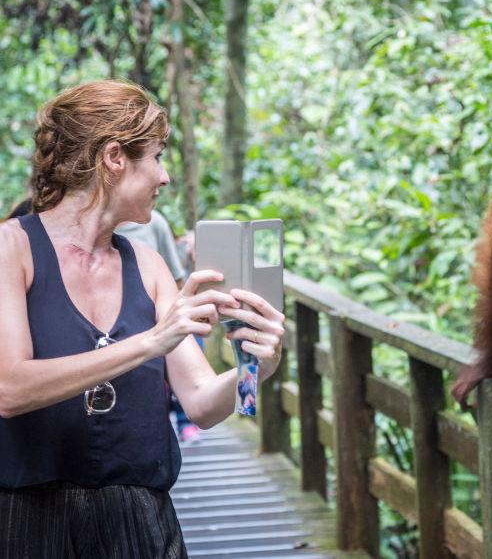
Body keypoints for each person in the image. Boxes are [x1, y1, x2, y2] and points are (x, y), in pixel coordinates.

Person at [0, 81, 285, 558]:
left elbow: (200, 404)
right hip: (29, 519)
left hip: (141, 523)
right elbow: (9, 389)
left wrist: (257, 367)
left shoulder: (149, 266)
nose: (165, 175)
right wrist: (151, 342)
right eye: (156, 156)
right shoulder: (13, 248)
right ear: (114, 158)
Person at [115, 210, 202, 442]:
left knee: (189, 344)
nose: (163, 179)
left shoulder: (155, 223)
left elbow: (176, 278)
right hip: (124, 324)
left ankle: (185, 420)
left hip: (159, 314)